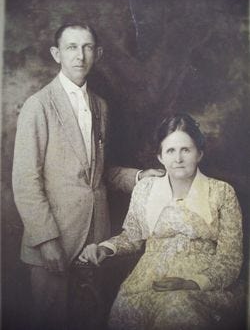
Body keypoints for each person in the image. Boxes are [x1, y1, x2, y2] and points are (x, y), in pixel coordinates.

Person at [12, 23, 164, 330]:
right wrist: (46, 240)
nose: (80, 55)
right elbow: (26, 180)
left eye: (87, 47)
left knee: (91, 319)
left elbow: (96, 174)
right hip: (53, 240)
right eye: (71, 47)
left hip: (95, 237)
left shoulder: (101, 106)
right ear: (56, 54)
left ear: (98, 53)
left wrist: (138, 176)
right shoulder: (38, 105)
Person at [80, 113, 243, 330]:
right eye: (170, 151)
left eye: (186, 150)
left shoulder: (222, 192)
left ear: (200, 153)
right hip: (147, 282)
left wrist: (192, 283)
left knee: (178, 309)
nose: (178, 159)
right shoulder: (145, 189)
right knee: (131, 311)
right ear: (160, 157)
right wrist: (105, 249)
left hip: (201, 286)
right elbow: (132, 237)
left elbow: (230, 260)